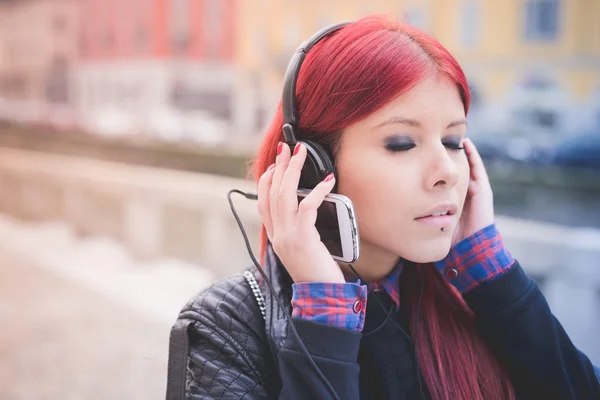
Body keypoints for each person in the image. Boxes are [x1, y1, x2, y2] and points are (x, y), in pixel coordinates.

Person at [166, 16, 600, 400]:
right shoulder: (225, 329)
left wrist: (491, 274)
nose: (446, 171)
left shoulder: (478, 301)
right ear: (313, 169)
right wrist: (325, 315)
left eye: (453, 141)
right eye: (401, 144)